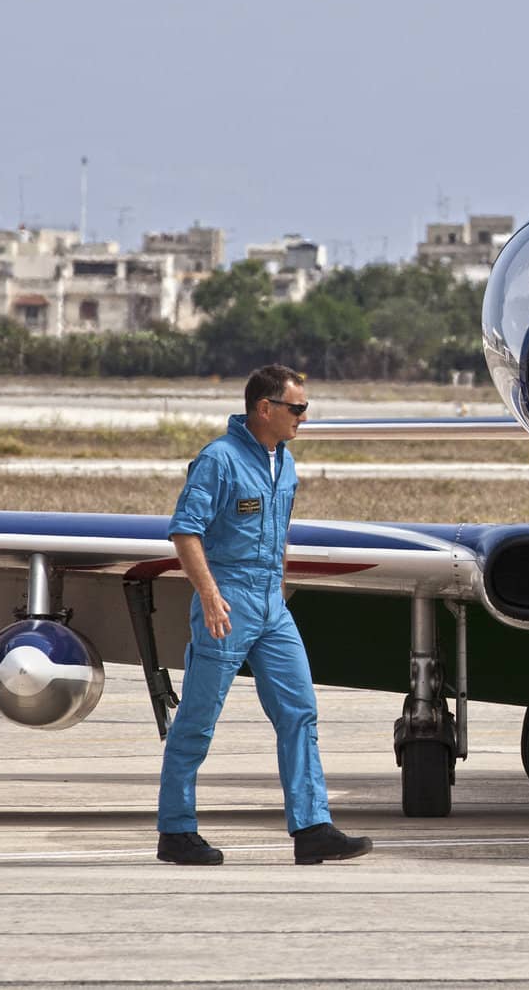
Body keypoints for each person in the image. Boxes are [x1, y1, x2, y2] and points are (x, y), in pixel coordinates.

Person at [157, 364, 373, 867]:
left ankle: (312, 827)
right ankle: (176, 830)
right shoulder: (219, 460)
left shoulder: (287, 463)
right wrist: (209, 595)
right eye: (297, 408)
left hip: (272, 608)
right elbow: (185, 532)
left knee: (299, 712)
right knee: (198, 720)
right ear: (265, 409)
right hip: (227, 604)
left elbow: (282, 529)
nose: (304, 416)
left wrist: (277, 587)